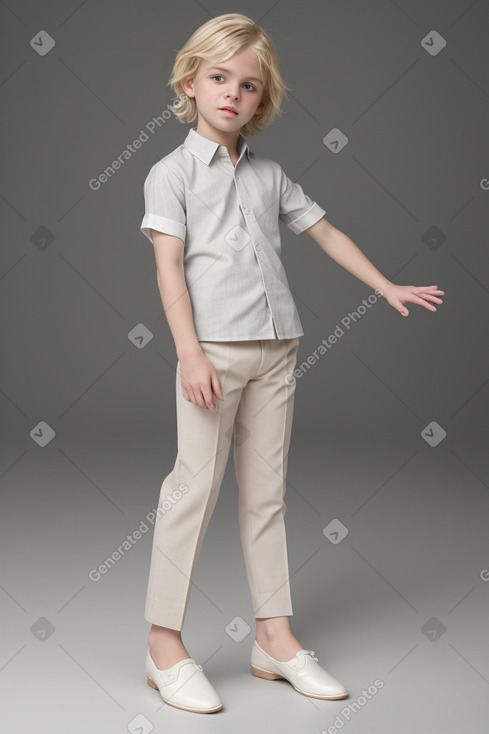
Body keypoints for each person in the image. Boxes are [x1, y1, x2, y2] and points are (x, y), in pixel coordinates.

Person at [140, 13, 444, 715]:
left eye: (247, 86)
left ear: (260, 99)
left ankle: (274, 639)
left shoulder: (272, 175)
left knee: (266, 494)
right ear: (191, 81)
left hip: (278, 350)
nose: (231, 94)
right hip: (211, 354)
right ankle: (163, 645)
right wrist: (188, 353)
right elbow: (168, 269)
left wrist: (385, 286)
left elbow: (325, 232)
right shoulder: (169, 174)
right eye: (218, 78)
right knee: (191, 489)